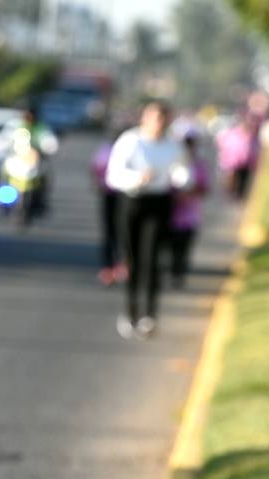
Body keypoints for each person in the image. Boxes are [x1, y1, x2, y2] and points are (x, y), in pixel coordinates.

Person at [106, 100, 191, 340]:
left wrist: (182, 180)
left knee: (152, 258)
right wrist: (137, 178)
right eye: (155, 118)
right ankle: (131, 311)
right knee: (132, 259)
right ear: (144, 118)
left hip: (159, 202)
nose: (159, 124)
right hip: (132, 202)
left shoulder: (173, 146)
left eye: (163, 119)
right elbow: (114, 175)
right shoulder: (130, 141)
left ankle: (149, 315)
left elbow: (183, 171)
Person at [169, 129, 210, 288]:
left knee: (185, 245)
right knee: (173, 246)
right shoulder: (172, 163)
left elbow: (204, 188)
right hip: (172, 214)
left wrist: (190, 193)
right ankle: (174, 270)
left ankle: (179, 272)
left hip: (190, 216)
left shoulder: (199, 165)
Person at [90, 127, 127, 286]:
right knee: (109, 232)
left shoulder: (130, 150)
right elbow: (96, 169)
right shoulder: (107, 150)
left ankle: (122, 265)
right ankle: (108, 267)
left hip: (127, 195)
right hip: (110, 195)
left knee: (124, 232)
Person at [216, 110, 262, 201]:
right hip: (232, 164)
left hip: (246, 165)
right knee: (232, 185)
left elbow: (255, 151)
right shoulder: (233, 133)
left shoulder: (252, 136)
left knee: (243, 187)